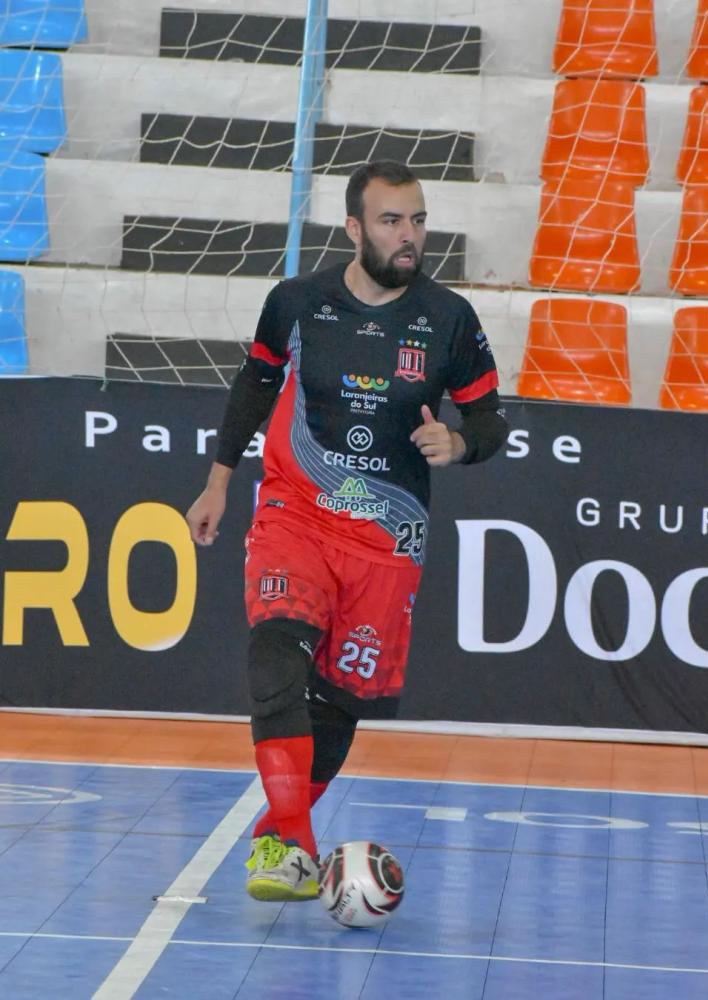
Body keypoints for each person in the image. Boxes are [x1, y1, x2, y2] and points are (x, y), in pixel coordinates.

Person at [185, 160, 507, 903]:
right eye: (392, 221)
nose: (409, 236)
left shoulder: (449, 317)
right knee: (275, 657)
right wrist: (219, 479)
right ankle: (293, 843)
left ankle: (278, 837)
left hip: (387, 540)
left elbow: (490, 419)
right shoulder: (295, 303)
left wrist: (460, 444)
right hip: (294, 511)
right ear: (354, 227)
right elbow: (256, 383)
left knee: (337, 698)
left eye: (419, 220)